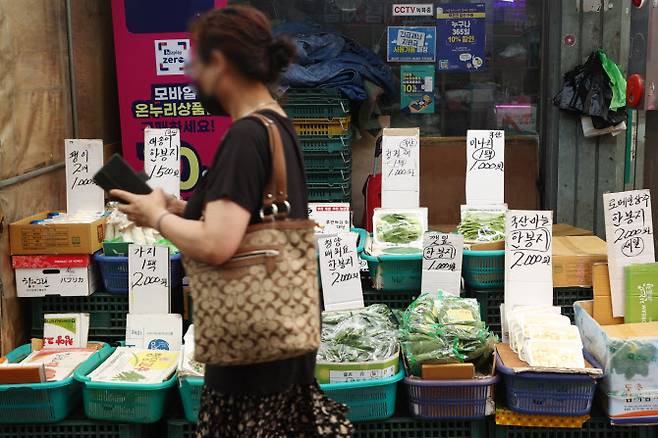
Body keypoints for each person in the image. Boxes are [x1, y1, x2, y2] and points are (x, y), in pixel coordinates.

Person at [110, 5, 354, 438]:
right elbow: (247, 220)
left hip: (249, 348)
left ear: (219, 62)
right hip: (280, 334)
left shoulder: (245, 136)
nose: (193, 75)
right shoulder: (276, 123)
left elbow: (216, 244)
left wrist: (157, 217)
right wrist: (180, 207)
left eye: (196, 62)